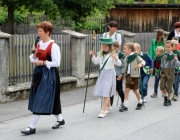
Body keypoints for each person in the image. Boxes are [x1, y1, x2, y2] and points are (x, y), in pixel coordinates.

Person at [21, 21, 65, 135]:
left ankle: (31, 127)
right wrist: (35, 54)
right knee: (46, 98)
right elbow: (33, 59)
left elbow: (56, 62)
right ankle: (60, 119)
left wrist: (42, 62)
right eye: (38, 31)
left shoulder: (54, 46)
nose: (38, 33)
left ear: (48, 32)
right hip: (39, 74)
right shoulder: (39, 44)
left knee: (41, 98)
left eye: (40, 31)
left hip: (49, 75)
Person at [89, 38, 121, 118]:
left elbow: (119, 64)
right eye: (103, 45)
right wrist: (92, 55)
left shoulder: (113, 54)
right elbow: (96, 62)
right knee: (104, 90)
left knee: (106, 91)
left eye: (105, 46)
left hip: (110, 73)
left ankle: (103, 110)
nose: (103, 47)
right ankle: (109, 106)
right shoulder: (100, 54)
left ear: (109, 46)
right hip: (102, 74)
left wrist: (116, 58)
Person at [119, 43, 145, 112]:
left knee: (135, 90)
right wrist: (121, 74)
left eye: (125, 49)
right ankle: (125, 106)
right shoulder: (126, 58)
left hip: (135, 76)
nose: (123, 50)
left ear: (130, 50)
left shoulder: (136, 56)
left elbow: (143, 61)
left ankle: (140, 102)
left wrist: (140, 64)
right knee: (127, 90)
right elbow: (125, 67)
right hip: (128, 76)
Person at [103, 21, 122, 107]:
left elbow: (118, 47)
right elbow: (103, 45)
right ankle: (109, 104)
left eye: (116, 27)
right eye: (113, 27)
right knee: (108, 85)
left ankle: (120, 101)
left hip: (114, 57)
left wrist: (115, 59)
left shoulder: (118, 35)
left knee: (116, 86)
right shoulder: (105, 35)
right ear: (109, 27)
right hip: (106, 56)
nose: (114, 29)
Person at [160, 40, 180, 106]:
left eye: (169, 47)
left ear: (172, 47)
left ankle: (169, 99)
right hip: (163, 72)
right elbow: (162, 64)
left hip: (170, 72)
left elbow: (178, 64)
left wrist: (176, 59)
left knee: (169, 87)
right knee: (162, 86)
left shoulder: (174, 55)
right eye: (166, 47)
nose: (167, 48)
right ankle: (165, 96)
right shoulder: (164, 55)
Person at [113, 41, 125, 108]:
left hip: (118, 73)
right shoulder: (111, 54)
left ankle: (123, 101)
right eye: (113, 48)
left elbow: (123, 65)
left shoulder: (121, 55)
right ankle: (110, 104)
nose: (114, 50)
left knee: (119, 88)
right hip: (112, 73)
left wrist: (117, 64)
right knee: (111, 89)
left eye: (115, 48)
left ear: (118, 47)